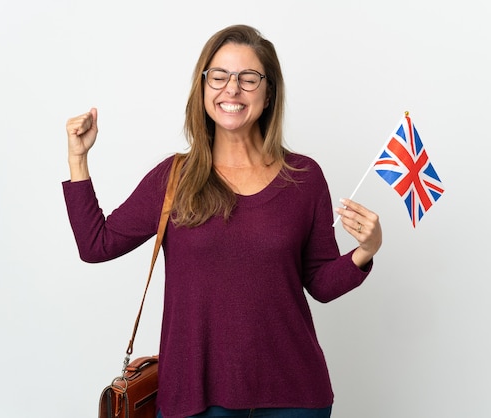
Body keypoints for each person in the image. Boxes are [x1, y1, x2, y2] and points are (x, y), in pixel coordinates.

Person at [63, 24, 382, 418]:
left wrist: (366, 250)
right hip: (192, 398)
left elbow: (319, 283)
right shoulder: (173, 178)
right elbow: (96, 246)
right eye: (219, 76)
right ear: (203, 88)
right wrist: (78, 160)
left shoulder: (303, 177)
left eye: (248, 79)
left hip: (293, 397)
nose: (232, 89)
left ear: (268, 95)